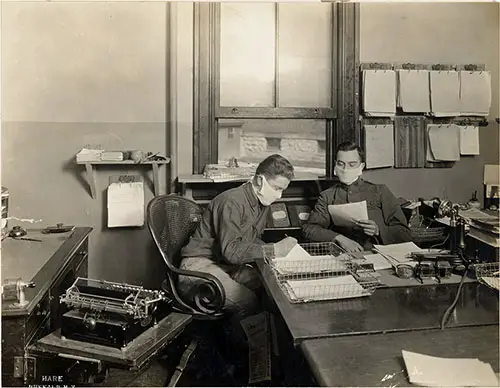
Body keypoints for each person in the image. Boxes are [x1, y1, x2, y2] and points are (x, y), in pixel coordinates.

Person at [179, 154, 296, 319]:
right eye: (277, 188)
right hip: (197, 267)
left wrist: (276, 259)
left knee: (271, 288)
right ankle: (241, 343)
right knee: (248, 301)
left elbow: (252, 240)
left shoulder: (262, 202)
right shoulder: (231, 202)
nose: (279, 196)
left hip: (223, 265)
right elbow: (232, 253)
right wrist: (273, 249)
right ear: (259, 181)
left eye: (283, 190)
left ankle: (259, 341)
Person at [302, 141, 412, 252]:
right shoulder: (327, 196)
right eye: (341, 164)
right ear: (335, 164)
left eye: (352, 164)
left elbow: (405, 233)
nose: (345, 169)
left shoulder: (379, 191)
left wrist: (378, 230)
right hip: (342, 255)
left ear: (361, 166)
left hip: (377, 254)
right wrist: (339, 238)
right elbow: (310, 229)